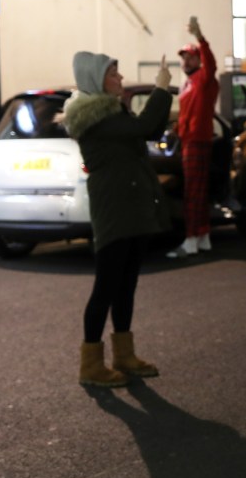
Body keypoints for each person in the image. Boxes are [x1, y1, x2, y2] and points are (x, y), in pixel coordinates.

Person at [62, 51, 172, 387]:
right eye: (114, 74)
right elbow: (147, 127)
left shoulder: (112, 112)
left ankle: (124, 355)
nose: (121, 79)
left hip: (130, 207)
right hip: (114, 211)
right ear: (97, 80)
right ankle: (91, 364)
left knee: (126, 284)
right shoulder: (97, 117)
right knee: (107, 286)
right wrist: (162, 89)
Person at [167, 16, 219, 258]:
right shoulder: (189, 82)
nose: (185, 60)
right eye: (183, 57)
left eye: (190, 56)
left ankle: (190, 239)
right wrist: (177, 128)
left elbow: (211, 64)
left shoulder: (204, 78)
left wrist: (200, 38)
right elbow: (188, 113)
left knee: (192, 192)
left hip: (197, 140)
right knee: (198, 191)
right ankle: (202, 235)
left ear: (198, 58)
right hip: (190, 139)